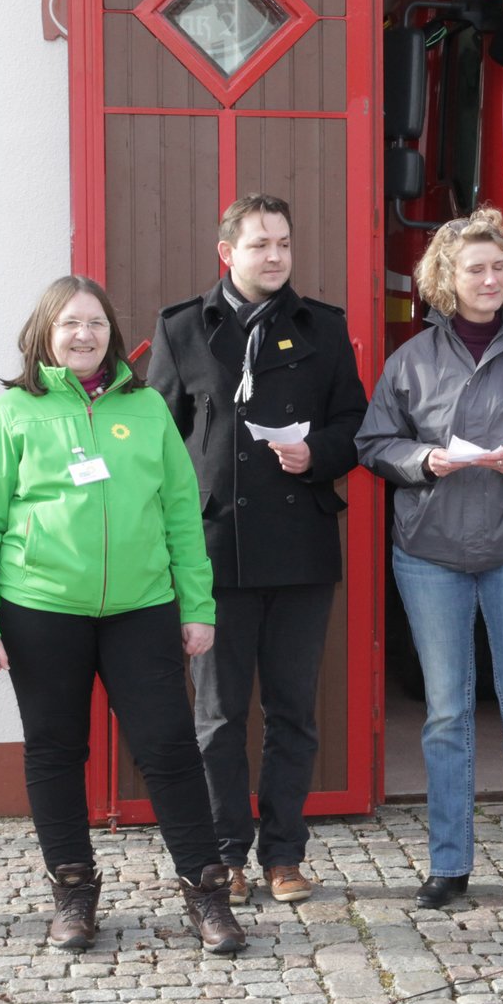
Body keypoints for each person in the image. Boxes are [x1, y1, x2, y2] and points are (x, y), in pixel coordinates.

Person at [0, 275, 244, 955]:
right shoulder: (14, 416)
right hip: (39, 610)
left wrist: (196, 606)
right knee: (55, 751)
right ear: (44, 336)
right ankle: (73, 890)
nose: (83, 335)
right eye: (69, 324)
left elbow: (181, 515)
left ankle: (207, 892)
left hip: (141, 609)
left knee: (169, 748)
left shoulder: (145, 411)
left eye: (96, 324)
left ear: (113, 335)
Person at [355, 209, 503, 916]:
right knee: (445, 714)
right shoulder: (411, 361)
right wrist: (419, 459)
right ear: (446, 278)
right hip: (431, 555)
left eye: (499, 268)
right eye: (475, 269)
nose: (491, 279)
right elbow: (375, 442)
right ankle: (448, 864)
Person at [146, 194, 368, 907]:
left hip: (299, 548)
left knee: (293, 711)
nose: (273, 255)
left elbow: (356, 423)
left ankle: (284, 853)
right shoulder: (183, 328)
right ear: (227, 253)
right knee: (217, 713)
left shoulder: (323, 329)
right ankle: (223, 853)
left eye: (282, 243)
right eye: (258, 244)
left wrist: (320, 453)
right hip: (215, 552)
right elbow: (157, 441)